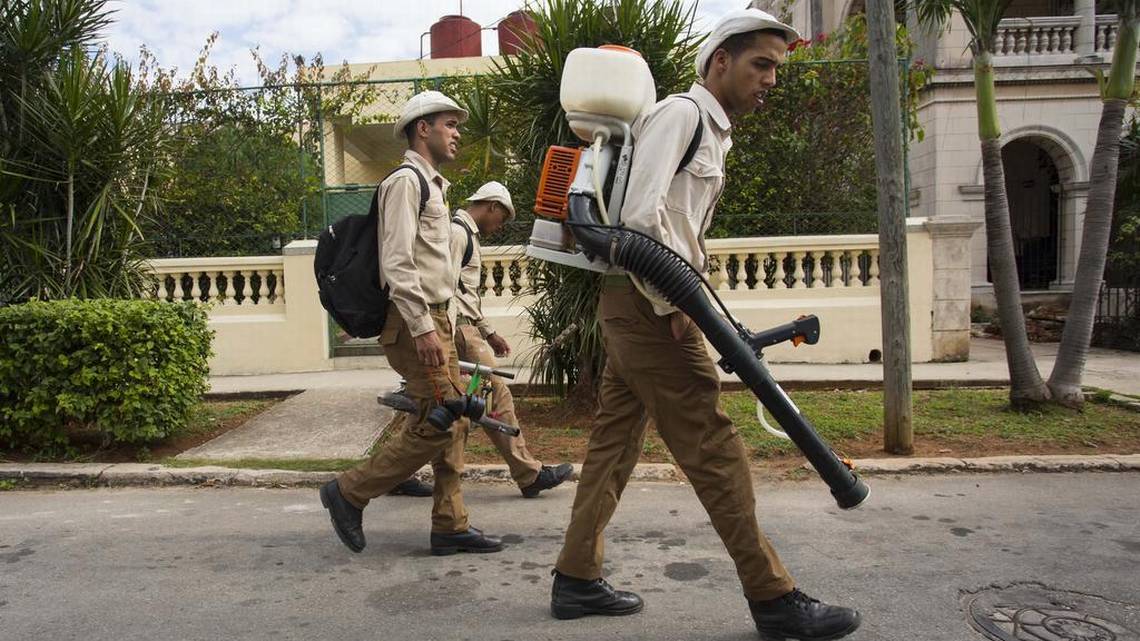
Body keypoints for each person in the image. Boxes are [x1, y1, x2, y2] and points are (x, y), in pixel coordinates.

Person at [547, 9, 861, 640]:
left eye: (775, 67)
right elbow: (640, 223)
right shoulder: (682, 116)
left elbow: (674, 229)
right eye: (761, 64)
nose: (770, 79)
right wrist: (676, 309)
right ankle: (773, 596)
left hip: (639, 301)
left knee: (615, 442)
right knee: (715, 447)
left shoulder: (710, 130)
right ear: (721, 61)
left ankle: (576, 579)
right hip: (651, 305)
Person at [319, 90, 503, 557]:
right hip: (413, 320)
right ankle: (349, 492)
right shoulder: (405, 182)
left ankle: (450, 525)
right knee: (441, 423)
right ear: (423, 128)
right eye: (449, 124)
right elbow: (399, 263)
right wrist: (424, 328)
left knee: (450, 419)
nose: (457, 133)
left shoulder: (433, 185)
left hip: (435, 317)